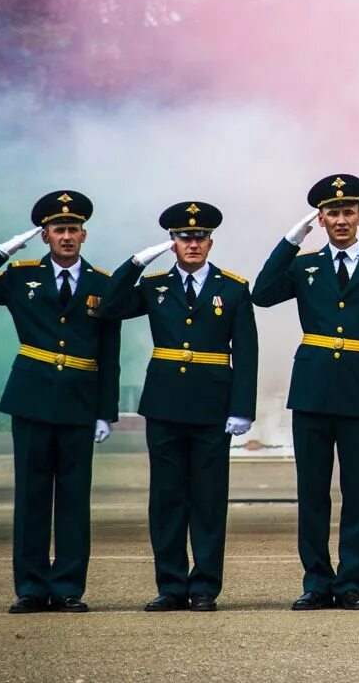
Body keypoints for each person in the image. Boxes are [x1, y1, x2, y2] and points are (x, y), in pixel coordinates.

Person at [0, 190, 121, 614]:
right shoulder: (21, 275)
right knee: (31, 498)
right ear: (44, 236)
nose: (67, 236)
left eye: (73, 230)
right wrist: (3, 250)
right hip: (31, 400)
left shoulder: (104, 283)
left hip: (80, 402)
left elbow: (110, 353)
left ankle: (67, 588)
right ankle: (29, 586)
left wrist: (106, 412)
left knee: (73, 500)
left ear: (84, 234)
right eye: (58, 229)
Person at [253, 173, 359, 612]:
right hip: (313, 392)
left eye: (347, 211)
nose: (340, 220)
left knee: (357, 493)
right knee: (313, 492)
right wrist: (289, 240)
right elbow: (261, 294)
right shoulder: (303, 266)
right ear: (320, 219)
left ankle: (352, 584)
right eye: (331, 213)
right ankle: (317, 581)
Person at [102, 201, 258, 612]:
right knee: (167, 499)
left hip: (212, 405)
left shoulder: (234, 288)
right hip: (166, 404)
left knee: (208, 500)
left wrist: (242, 407)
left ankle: (205, 585)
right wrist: (134, 263)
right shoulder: (154, 286)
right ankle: (170, 584)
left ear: (211, 241)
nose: (193, 243)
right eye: (184, 237)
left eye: (200, 237)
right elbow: (110, 306)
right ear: (172, 243)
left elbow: (247, 352)